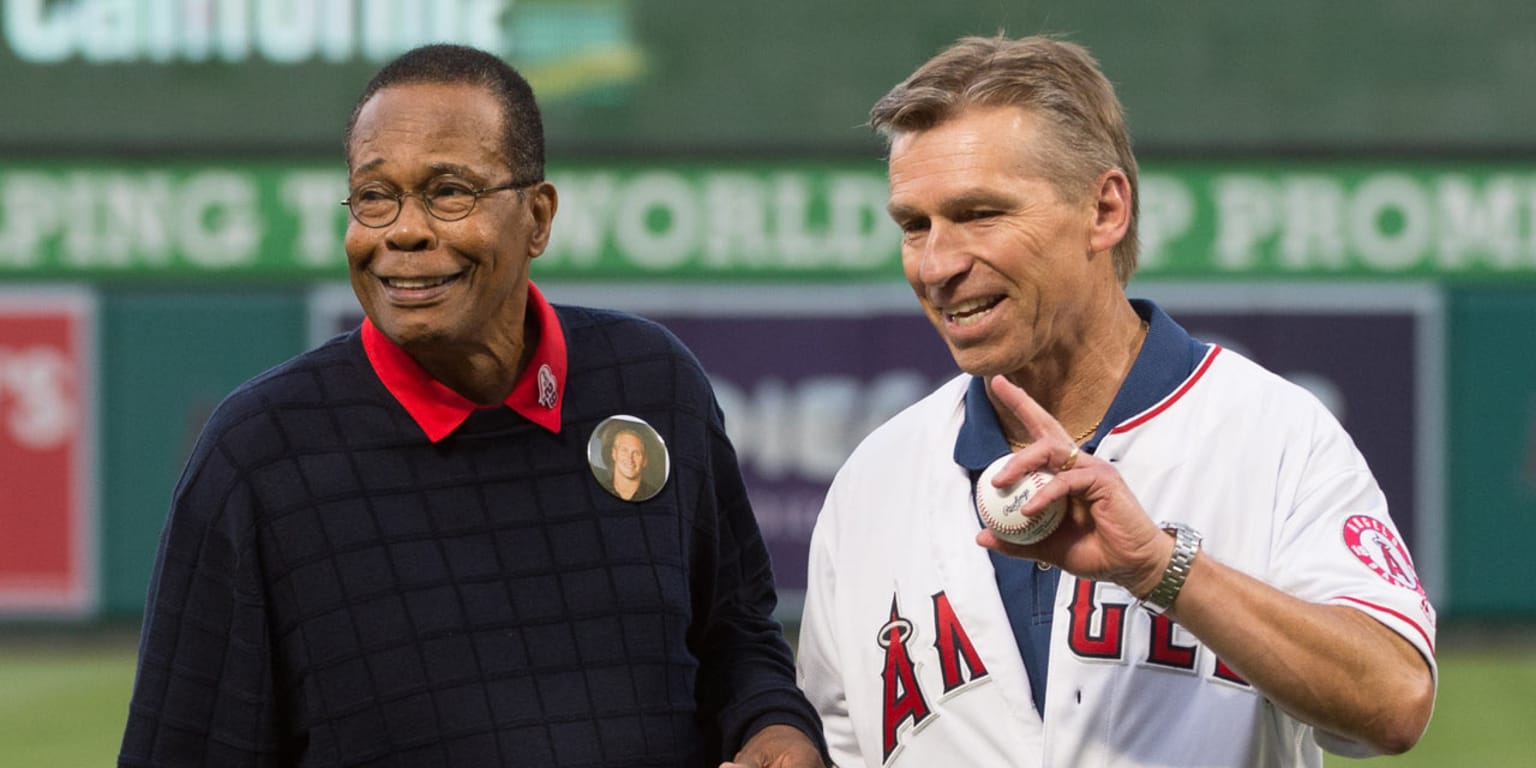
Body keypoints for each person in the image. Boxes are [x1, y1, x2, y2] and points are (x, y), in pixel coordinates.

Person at [119, 44, 825, 768]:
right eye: (373, 196)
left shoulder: (655, 383)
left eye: (449, 191)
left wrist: (773, 726)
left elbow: (735, 632)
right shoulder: (258, 454)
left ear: (538, 218)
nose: (404, 229)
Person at [795, 34, 1437, 767]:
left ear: (1104, 209)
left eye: (980, 214)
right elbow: (836, 736)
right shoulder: (875, 480)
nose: (937, 264)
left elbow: (1395, 701)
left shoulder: (1270, 433)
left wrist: (1161, 568)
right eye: (915, 225)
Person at [596, 422, 663, 501]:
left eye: (636, 453)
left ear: (645, 460)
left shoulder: (656, 494)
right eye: (624, 451)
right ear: (613, 453)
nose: (630, 458)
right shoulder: (597, 489)